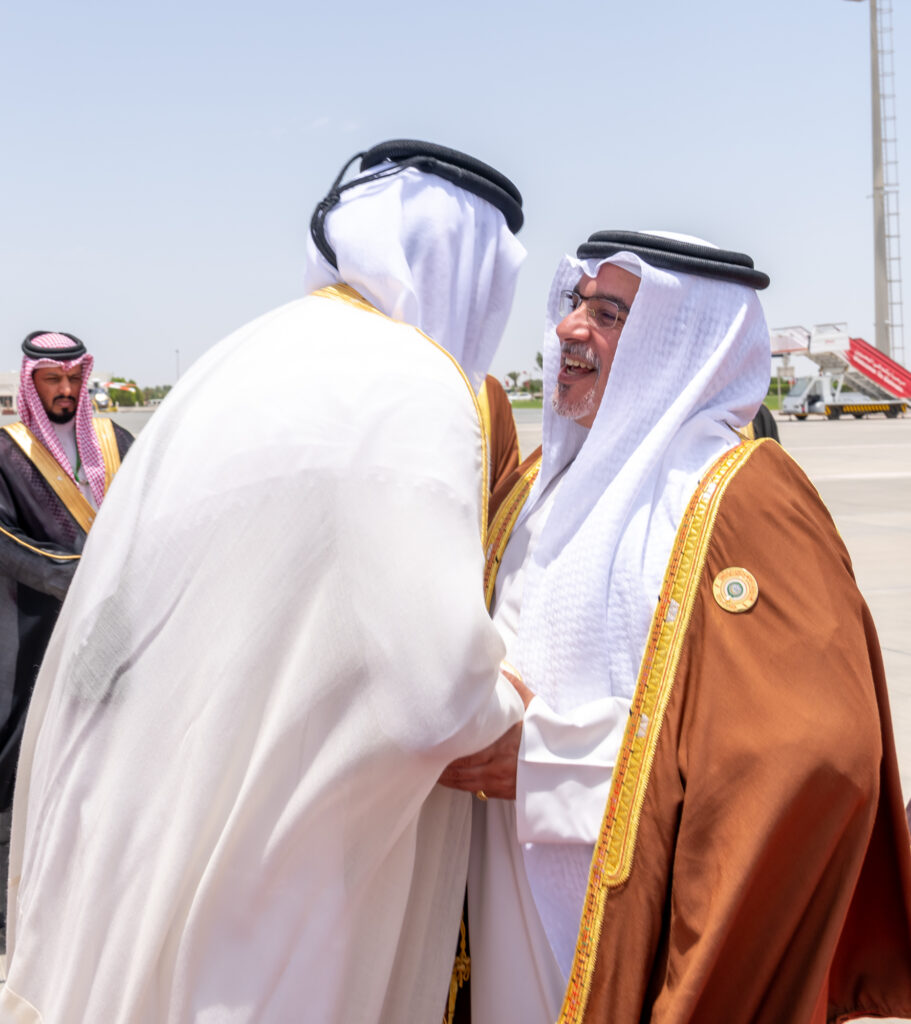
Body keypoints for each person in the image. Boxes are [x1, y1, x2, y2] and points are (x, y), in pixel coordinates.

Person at [1, 140, 527, 1023]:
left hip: (168, 801)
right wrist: (516, 718)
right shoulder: (413, 383)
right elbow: (436, 694)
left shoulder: (243, 356)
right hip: (289, 853)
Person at [441, 230, 911, 1023]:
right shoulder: (535, 487)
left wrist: (552, 761)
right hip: (498, 913)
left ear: (680, 340)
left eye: (608, 314)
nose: (568, 328)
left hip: (631, 931)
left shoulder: (739, 497)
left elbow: (807, 754)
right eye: (574, 303)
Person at [0, 330, 133, 945]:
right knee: (17, 764)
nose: (66, 390)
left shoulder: (114, 441)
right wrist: (79, 573)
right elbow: (7, 543)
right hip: (32, 632)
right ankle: (13, 917)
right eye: (53, 380)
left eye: (74, 379)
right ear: (32, 382)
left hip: (110, 633)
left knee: (107, 760)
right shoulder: (8, 452)